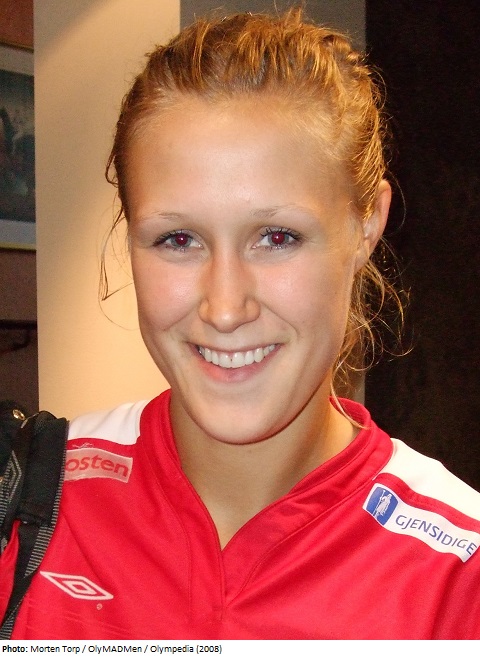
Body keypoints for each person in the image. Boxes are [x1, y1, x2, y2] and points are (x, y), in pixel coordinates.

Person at [4, 9, 480, 640]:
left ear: (366, 225)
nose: (225, 308)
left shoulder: (457, 579)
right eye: (178, 239)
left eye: (277, 237)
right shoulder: (26, 502)